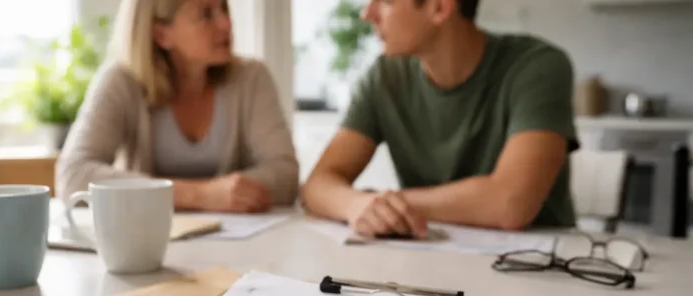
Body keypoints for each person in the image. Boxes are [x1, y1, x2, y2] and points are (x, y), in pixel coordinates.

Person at [301, 0, 578, 238]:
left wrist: (391, 204)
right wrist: (354, 204)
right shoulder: (384, 77)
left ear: (439, 7)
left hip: (538, 272)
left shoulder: (536, 67)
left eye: (386, 1)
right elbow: (317, 186)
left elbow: (511, 204)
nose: (367, 14)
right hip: (430, 258)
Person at [56, 0, 299, 213]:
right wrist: (201, 196)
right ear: (161, 34)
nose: (225, 23)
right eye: (205, 14)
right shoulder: (120, 81)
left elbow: (286, 175)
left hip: (246, 247)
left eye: (223, 7)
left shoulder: (251, 78)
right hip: (145, 240)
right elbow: (73, 176)